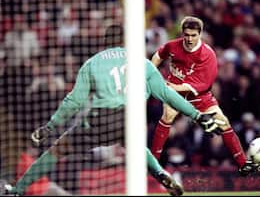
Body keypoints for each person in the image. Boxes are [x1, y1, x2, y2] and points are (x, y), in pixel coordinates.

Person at [1, 24, 222, 196]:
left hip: (101, 119)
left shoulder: (93, 63)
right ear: (126, 41)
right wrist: (198, 115)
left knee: (57, 151)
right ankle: (162, 174)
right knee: (134, 145)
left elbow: (74, 102)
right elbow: (168, 95)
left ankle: (18, 191)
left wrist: (50, 127)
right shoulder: (142, 63)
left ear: (105, 43)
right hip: (129, 117)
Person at [150, 16, 260, 176]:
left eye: (193, 35)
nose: (189, 39)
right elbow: (159, 55)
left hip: (199, 95)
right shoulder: (172, 46)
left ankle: (243, 164)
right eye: (186, 35)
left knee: (223, 123)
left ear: (200, 34)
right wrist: (151, 71)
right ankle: (154, 162)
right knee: (167, 116)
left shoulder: (208, 55)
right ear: (182, 33)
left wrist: (169, 86)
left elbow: (203, 84)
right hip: (174, 93)